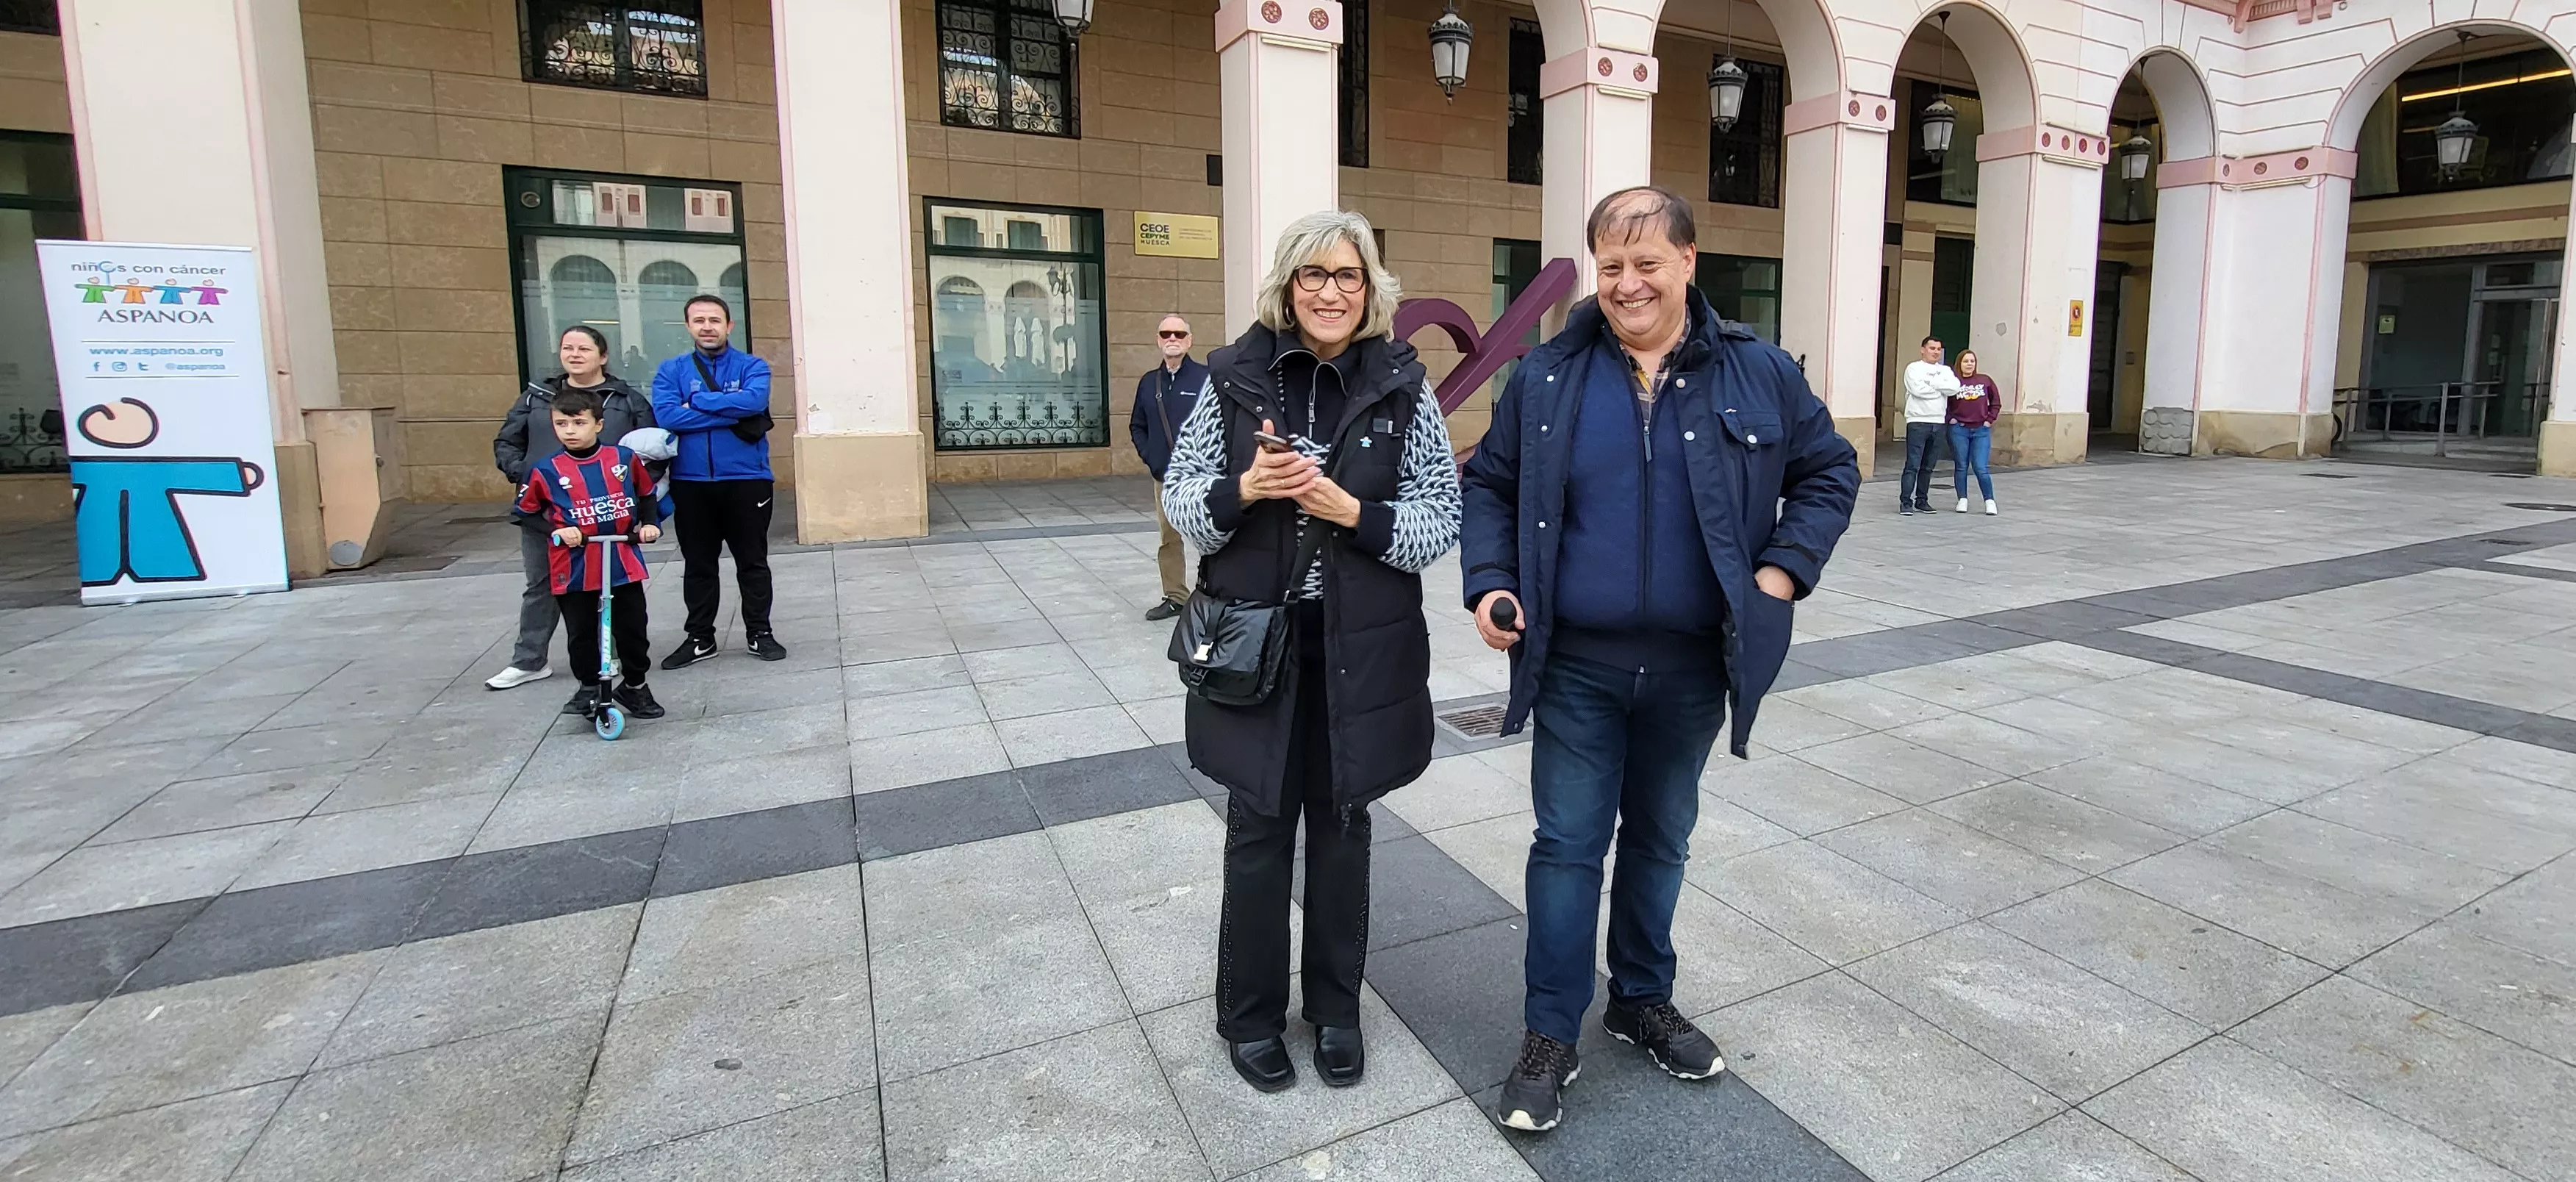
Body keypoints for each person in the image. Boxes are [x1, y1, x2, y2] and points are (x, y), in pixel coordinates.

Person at [1458, 186, 1859, 1133]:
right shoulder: (1549, 376)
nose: (1626, 284)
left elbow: (1828, 471)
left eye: (1646, 264)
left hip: (1690, 668)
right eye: (1609, 266)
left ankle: (1640, 1000)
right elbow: (1493, 488)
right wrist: (1488, 582)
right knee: (1565, 848)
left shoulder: (1759, 374)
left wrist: (1781, 574)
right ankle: (1549, 1035)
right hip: (1576, 667)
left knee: (1660, 839)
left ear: (1688, 261)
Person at [1160, 209, 1462, 1095]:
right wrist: (1246, 488)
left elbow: (1438, 517)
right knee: (1257, 830)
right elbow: (1181, 500)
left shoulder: (1405, 385)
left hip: (1358, 649)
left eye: (1348, 277)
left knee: (1342, 830)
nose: (1330, 292)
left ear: (1370, 290)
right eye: (1312, 276)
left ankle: (1335, 1010)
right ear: (1287, 287)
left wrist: (1347, 511)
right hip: (1256, 645)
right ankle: (1249, 1018)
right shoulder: (1233, 379)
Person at [487, 326, 656, 692]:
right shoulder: (537, 396)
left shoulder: (625, 399)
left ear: (603, 356)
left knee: (609, 587)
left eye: (584, 348)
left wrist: (640, 509)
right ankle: (529, 660)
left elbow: (651, 451)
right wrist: (531, 476)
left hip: (606, 517)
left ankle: (608, 660)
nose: (575, 354)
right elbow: (508, 440)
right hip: (551, 515)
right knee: (542, 585)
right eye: (567, 348)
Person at [512, 387, 666, 721]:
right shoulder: (545, 469)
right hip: (574, 563)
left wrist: (649, 524)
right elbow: (525, 512)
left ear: (598, 424)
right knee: (581, 631)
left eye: (579, 423)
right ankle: (588, 687)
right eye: (562, 424)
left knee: (633, 627)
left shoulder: (622, 460)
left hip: (621, 558)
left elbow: (646, 494)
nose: (570, 431)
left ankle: (636, 685)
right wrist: (555, 530)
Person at [649, 295, 783, 668]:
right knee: (699, 564)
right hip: (691, 483)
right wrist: (727, 407)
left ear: (729, 326)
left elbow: (754, 403)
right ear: (688, 326)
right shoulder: (670, 370)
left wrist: (697, 403)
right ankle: (700, 638)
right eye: (699, 320)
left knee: (752, 562)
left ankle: (760, 633)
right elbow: (669, 416)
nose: (707, 326)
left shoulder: (753, 366)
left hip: (747, 480)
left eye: (714, 319)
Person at [1131, 313, 1208, 621]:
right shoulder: (1150, 382)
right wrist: (1152, 457)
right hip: (1164, 478)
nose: (1172, 339)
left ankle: (1215, 595)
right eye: (1166, 334)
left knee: (1209, 536)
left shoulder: (1206, 378)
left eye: (1179, 334)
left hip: (1201, 478)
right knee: (1169, 538)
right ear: (1159, 341)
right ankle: (1176, 596)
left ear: (1189, 341)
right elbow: (1137, 425)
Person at [1899, 336, 1959, 515]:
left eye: (1939, 349)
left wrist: (1932, 384)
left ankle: (1922, 500)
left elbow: (1955, 388)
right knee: (1913, 465)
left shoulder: (1946, 370)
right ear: (1923, 349)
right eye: (1932, 348)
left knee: (1928, 466)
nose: (1936, 352)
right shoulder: (1914, 368)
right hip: (1918, 421)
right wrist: (1941, 388)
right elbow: (1917, 390)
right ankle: (1906, 502)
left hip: (1938, 422)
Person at [1948, 349, 2000, 515]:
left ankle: (1989, 501)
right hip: (1959, 430)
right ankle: (1962, 499)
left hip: (1981, 430)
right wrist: (1951, 419)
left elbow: (1995, 403)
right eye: (1965, 361)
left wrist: (1989, 420)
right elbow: (1944, 402)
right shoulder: (1953, 382)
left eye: (1972, 361)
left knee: (1980, 467)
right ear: (1959, 364)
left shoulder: (1985, 381)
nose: (1969, 364)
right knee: (1961, 466)